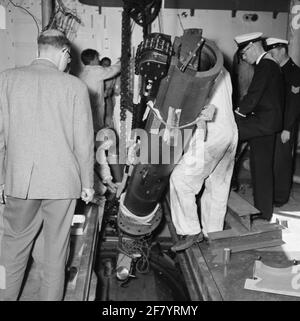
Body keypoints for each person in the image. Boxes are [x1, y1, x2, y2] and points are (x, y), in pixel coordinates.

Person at [0, 29, 95, 301]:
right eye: (69, 58)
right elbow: (84, 141)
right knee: (55, 254)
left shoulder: (6, 80)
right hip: (62, 183)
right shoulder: (75, 86)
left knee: (12, 249)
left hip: (19, 182)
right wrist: (88, 184)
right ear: (65, 53)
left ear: (40, 48)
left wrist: (0, 179)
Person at [170, 67, 238, 252]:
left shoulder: (200, 73)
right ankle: (213, 233)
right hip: (230, 131)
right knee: (217, 186)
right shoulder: (223, 70)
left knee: (180, 179)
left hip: (212, 134)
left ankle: (191, 231)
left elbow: (194, 107)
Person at [233, 32, 284, 222]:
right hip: (266, 122)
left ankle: (229, 183)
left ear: (253, 46)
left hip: (263, 123)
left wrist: (235, 115)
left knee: (227, 135)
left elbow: (253, 96)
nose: (244, 58)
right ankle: (263, 211)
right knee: (260, 167)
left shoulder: (265, 65)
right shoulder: (270, 64)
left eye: (244, 53)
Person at [265, 38, 300, 207]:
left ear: (282, 50)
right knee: (273, 161)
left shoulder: (294, 72)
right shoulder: (277, 71)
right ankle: (271, 194)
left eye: (272, 53)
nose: (271, 56)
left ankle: (280, 197)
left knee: (283, 162)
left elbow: (293, 105)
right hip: (274, 124)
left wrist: (287, 129)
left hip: (285, 126)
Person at [79, 49, 120, 134]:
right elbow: (113, 70)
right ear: (93, 60)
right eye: (97, 58)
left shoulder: (83, 73)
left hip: (86, 108)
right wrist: (122, 61)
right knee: (97, 131)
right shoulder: (95, 70)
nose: (98, 60)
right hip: (95, 109)